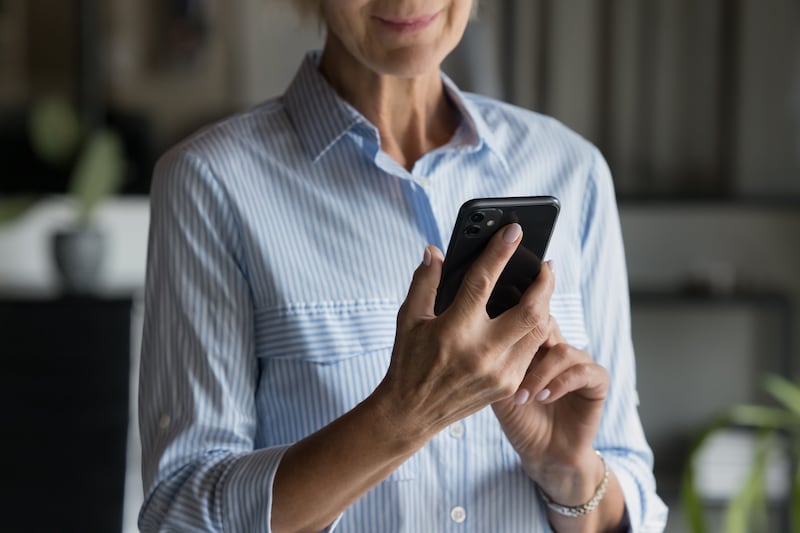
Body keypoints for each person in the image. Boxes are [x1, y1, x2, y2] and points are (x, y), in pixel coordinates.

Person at [138, 0, 669, 531]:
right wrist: (402, 415)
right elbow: (180, 517)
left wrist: (570, 474)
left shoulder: (572, 170)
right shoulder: (210, 184)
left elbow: (631, 488)